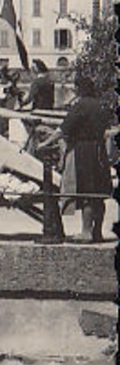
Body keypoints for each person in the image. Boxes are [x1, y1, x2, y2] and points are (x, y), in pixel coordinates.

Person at [38, 74, 111, 243]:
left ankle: (86, 232)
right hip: (99, 150)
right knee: (99, 193)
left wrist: (45, 143)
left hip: (83, 151)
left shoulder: (80, 106)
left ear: (79, 89)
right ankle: (97, 232)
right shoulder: (101, 105)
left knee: (86, 191)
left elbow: (63, 130)